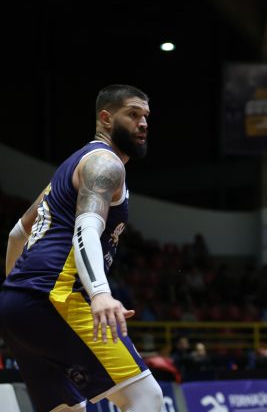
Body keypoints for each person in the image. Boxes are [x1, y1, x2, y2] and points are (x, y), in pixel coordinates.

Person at [0, 84, 163, 411]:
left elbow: (17, 234)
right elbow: (86, 227)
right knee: (146, 397)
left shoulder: (73, 166)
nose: (143, 123)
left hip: (17, 304)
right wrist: (100, 293)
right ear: (106, 118)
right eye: (133, 114)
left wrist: (15, 294)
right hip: (55, 297)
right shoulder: (105, 164)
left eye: (146, 116)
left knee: (66, 409)